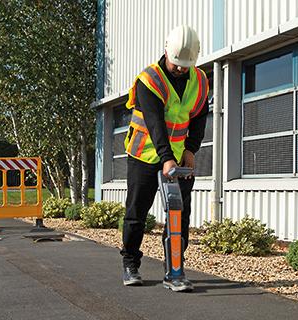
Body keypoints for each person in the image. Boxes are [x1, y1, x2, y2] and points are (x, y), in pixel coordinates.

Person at [120, 25, 209, 291]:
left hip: (179, 158)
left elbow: (200, 117)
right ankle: (130, 264)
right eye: (177, 64)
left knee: (179, 215)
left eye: (186, 65)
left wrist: (191, 150)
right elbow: (156, 123)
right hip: (144, 154)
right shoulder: (150, 80)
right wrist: (166, 157)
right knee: (137, 212)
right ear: (166, 51)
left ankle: (174, 270)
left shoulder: (201, 80)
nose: (181, 69)